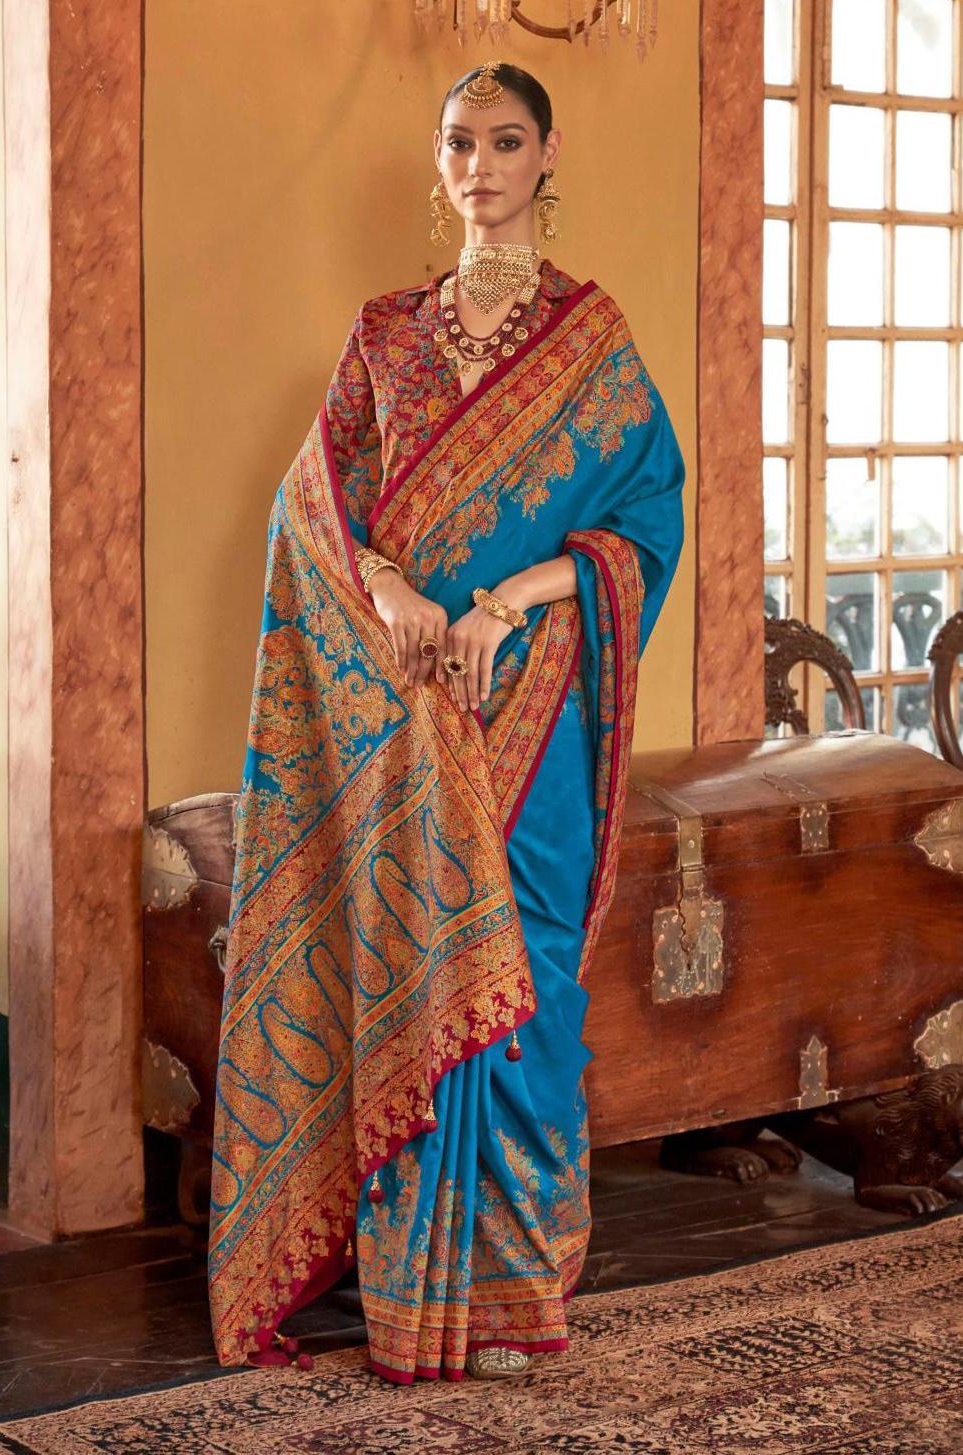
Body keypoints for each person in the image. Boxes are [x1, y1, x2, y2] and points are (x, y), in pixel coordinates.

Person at [207, 60, 685, 1385]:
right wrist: (395, 590)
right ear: (440, 162)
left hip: (534, 710)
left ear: (547, 157)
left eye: (505, 141)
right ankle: (412, 1291)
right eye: (460, 143)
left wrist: (505, 605)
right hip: (406, 713)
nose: (480, 166)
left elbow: (645, 527)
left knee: (528, 980)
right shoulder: (384, 336)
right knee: (414, 967)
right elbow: (316, 513)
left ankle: (514, 1297)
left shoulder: (591, 339)